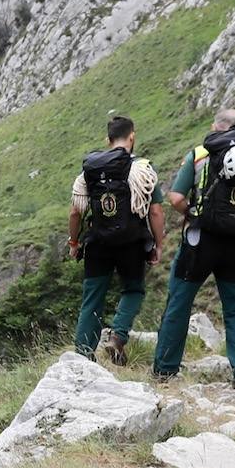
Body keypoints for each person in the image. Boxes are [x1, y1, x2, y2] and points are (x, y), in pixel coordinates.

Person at [152, 108, 235, 395]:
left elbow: (175, 197)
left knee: (180, 301)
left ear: (216, 126)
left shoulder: (200, 155)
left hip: (201, 242)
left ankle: (165, 370)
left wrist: (193, 214)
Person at [67, 115, 165, 365]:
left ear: (107, 139)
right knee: (133, 289)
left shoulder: (90, 170)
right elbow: (155, 211)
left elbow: (76, 211)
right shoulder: (142, 169)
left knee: (92, 299)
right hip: (131, 242)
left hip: (98, 242)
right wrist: (158, 244)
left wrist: (74, 242)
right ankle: (118, 335)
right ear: (132, 136)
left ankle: (83, 359)